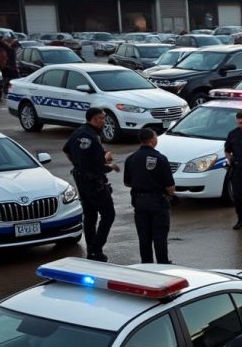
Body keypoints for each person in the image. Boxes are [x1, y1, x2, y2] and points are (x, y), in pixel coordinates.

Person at [62, 108, 118, 261]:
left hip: (81, 180)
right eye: (102, 118)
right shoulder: (93, 137)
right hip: (95, 182)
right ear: (94, 118)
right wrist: (110, 165)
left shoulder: (78, 133)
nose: (104, 121)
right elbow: (98, 165)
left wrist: (78, 164)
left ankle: (91, 252)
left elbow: (66, 151)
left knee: (90, 216)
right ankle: (95, 248)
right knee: (108, 215)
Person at [123, 128, 175, 263]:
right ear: (152, 139)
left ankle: (146, 264)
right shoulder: (161, 159)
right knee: (160, 237)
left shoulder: (131, 159)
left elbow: (127, 183)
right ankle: (162, 264)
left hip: (139, 202)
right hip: (158, 202)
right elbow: (170, 187)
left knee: (144, 237)